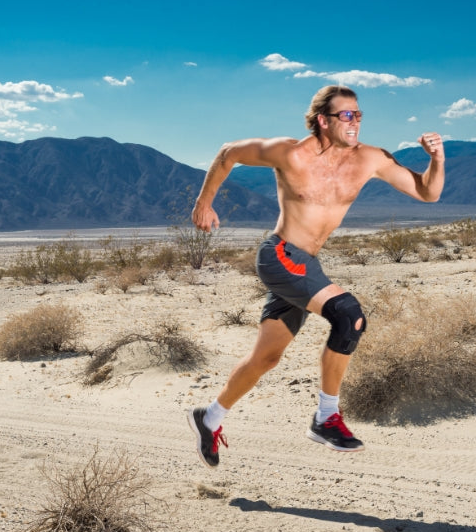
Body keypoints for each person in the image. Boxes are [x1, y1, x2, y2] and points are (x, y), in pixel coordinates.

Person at [186, 85, 445, 468]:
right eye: (346, 115)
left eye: (358, 114)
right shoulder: (290, 153)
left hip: (306, 265)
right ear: (323, 121)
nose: (355, 121)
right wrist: (203, 202)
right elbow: (228, 153)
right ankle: (326, 417)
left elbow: (428, 193)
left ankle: (209, 418)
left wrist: (436, 158)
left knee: (267, 357)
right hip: (279, 255)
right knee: (349, 315)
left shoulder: (370, 159)